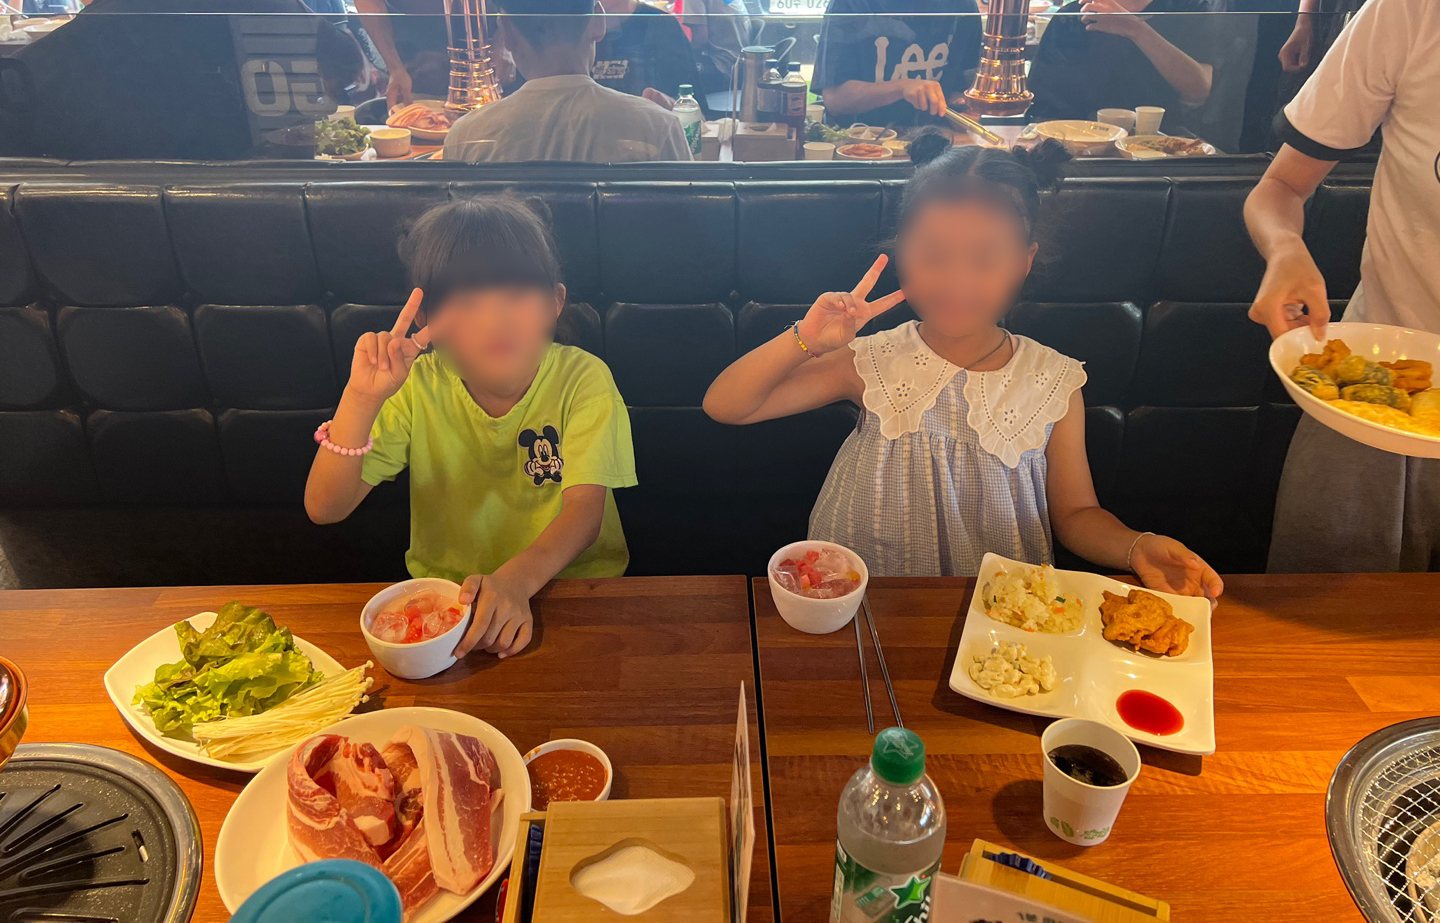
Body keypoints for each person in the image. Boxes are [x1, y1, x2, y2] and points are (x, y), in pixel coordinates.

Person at [703, 130, 1224, 598]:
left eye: (984, 259)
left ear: (1024, 261)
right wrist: (807, 340)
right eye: (933, 255)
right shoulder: (872, 360)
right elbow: (727, 405)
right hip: (868, 592)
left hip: (1000, 608)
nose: (957, 281)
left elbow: (1076, 514)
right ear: (901, 253)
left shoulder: (1054, 381)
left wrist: (1136, 546)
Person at [305, 197, 638, 658]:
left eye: (516, 296)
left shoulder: (583, 378)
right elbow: (325, 507)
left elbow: (584, 512)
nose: (495, 320)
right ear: (426, 320)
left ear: (555, 303)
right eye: (465, 302)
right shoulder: (416, 385)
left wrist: (514, 582)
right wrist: (362, 398)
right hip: (449, 599)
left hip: (572, 588)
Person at [1245, 0, 1439, 572]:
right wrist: (1285, 248)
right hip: (1376, 391)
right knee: (1331, 609)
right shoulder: (1411, 13)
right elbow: (1279, 187)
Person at [443, 0, 692, 161]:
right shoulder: (659, 127)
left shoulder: (465, 136)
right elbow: (689, 222)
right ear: (598, 21)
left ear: (506, 32)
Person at [1027, 0, 1220, 132]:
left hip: (1161, 147)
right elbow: (1043, 107)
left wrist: (1136, 29)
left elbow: (1199, 90)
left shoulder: (1187, 8)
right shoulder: (1072, 16)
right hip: (1078, 147)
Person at [811, 0, 982, 129]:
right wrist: (902, 88)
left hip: (936, 142)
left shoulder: (963, 6)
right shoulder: (850, 4)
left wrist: (964, 110)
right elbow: (835, 100)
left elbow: (962, 88)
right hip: (857, 141)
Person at [591, 0, 701, 108]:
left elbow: (693, 105)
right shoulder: (583, 26)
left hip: (650, 117)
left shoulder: (661, 24)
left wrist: (667, 103)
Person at [680, 0, 749, 95]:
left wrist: (681, 60)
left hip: (722, 66)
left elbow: (700, 39)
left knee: (671, 69)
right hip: (743, 63)